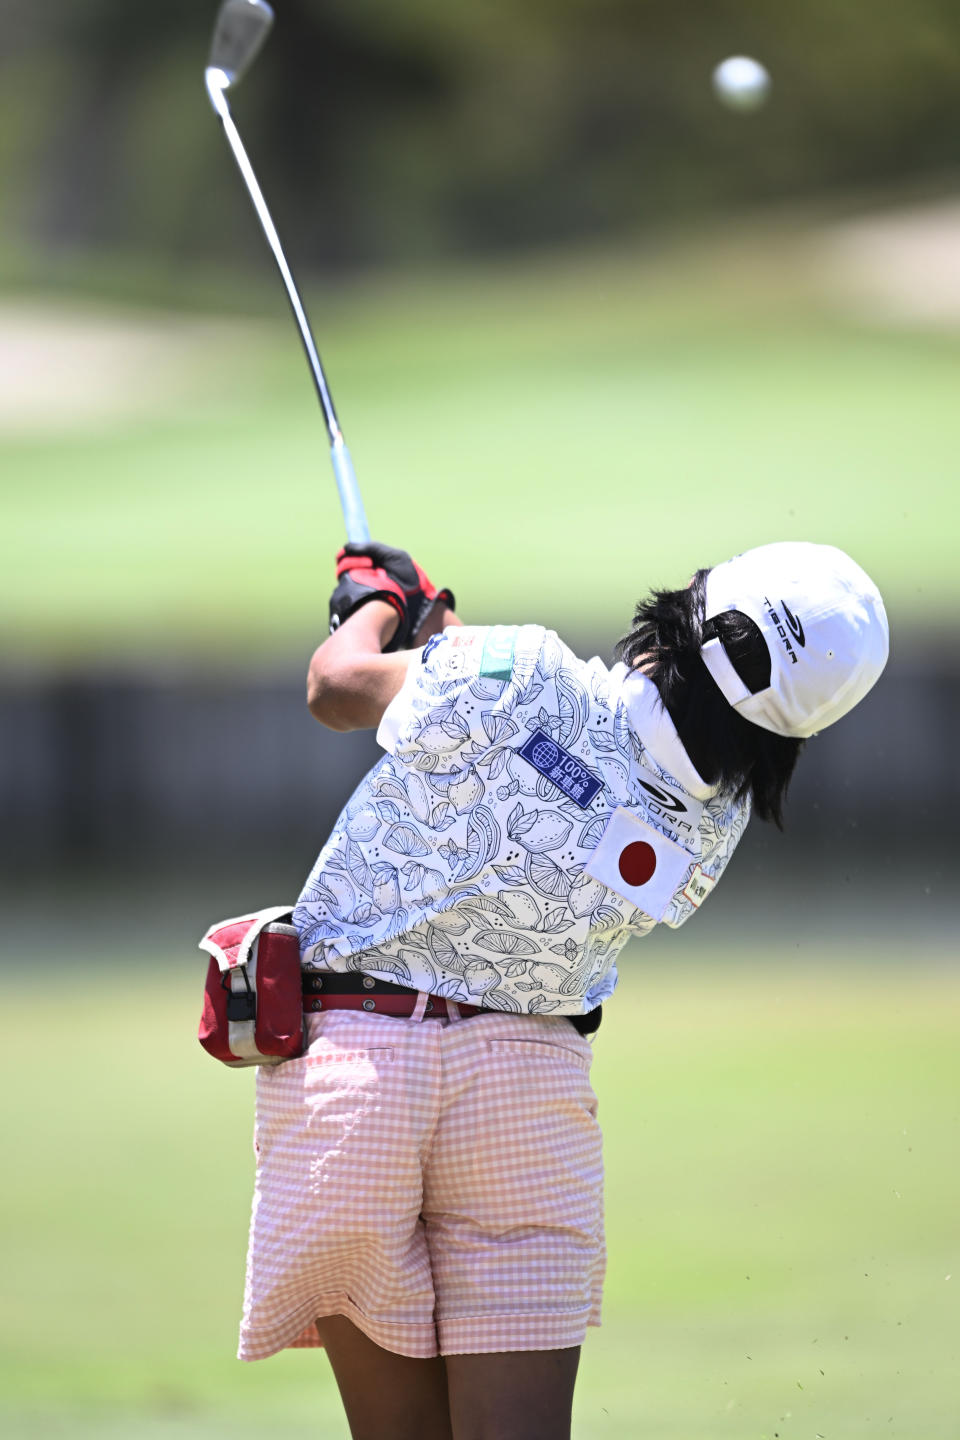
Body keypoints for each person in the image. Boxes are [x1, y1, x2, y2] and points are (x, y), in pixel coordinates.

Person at [236, 539, 889, 1440]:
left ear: (687, 614)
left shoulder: (518, 672)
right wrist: (444, 631)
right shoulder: (711, 828)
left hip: (362, 1073)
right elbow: (555, 772)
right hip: (529, 1099)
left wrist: (375, 601)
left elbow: (338, 686)